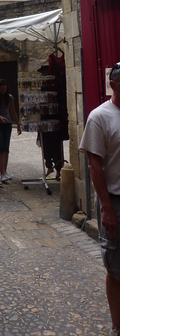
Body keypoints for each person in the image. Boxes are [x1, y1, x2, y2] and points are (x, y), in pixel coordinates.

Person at [79, 62, 120, 336]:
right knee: (117, 268)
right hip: (116, 200)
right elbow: (95, 164)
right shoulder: (100, 117)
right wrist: (106, 208)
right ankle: (120, 325)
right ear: (114, 85)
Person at [0, 79, 21, 183]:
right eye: (1, 89)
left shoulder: (10, 97)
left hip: (7, 124)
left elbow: (13, 111)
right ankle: (1, 172)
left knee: (6, 148)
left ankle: (5, 171)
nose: (3, 91)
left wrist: (18, 124)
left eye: (5, 89)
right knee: (1, 147)